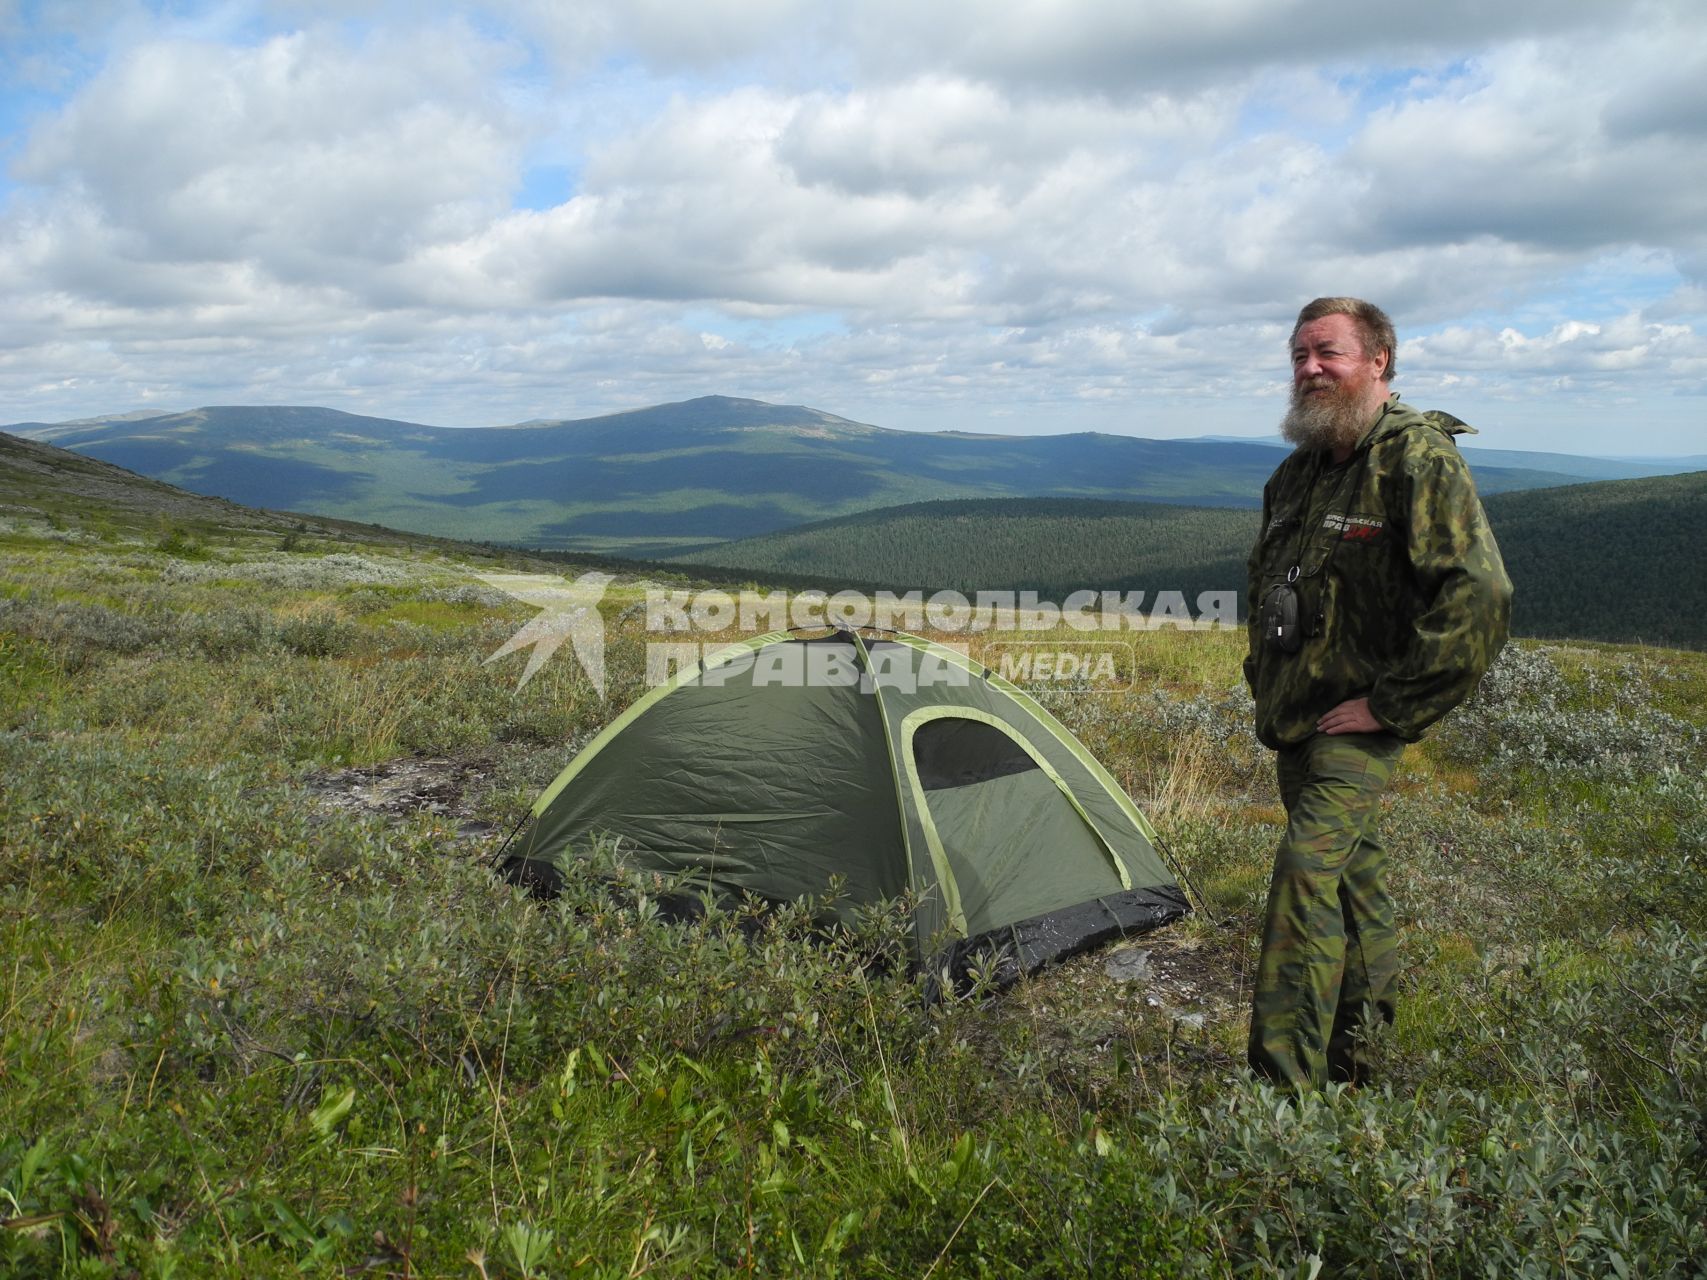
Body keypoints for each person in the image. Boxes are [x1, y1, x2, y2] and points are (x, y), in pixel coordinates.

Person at [1243, 296, 1512, 1091]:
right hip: (1295, 716)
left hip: (1355, 724)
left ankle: (1281, 1101)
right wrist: (1263, 680)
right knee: (1353, 885)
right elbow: (1269, 587)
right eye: (1298, 355)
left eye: (1326, 352)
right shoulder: (1296, 473)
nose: (1309, 368)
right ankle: (1364, 1063)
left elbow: (1479, 595)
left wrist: (1393, 706)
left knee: (1304, 874)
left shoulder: (1414, 460)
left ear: (1377, 362)